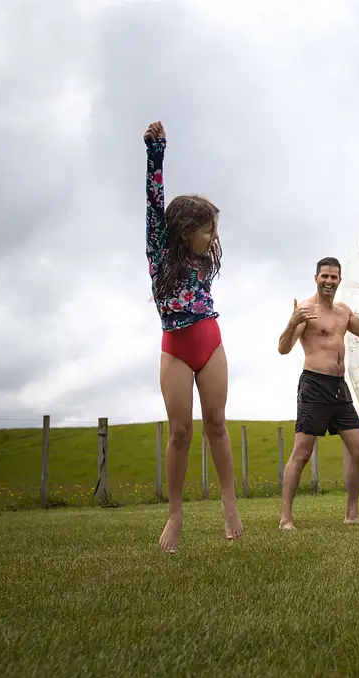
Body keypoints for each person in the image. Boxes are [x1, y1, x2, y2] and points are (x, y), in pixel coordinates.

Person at [143, 120, 243, 554]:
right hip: (176, 349)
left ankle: (229, 504)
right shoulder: (159, 250)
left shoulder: (204, 259)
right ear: (185, 230)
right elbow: (154, 201)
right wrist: (156, 151)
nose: (213, 237)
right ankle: (176, 514)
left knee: (217, 425)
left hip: (209, 341)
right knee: (180, 431)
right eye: (208, 230)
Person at [277, 256, 359, 531]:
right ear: (316, 278)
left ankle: (351, 513)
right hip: (314, 385)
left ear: (339, 280)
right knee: (302, 453)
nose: (329, 281)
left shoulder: (342, 311)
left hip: (339, 388)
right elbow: (283, 348)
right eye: (324, 276)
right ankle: (286, 517)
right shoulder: (306, 310)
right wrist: (292, 323)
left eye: (333, 277)